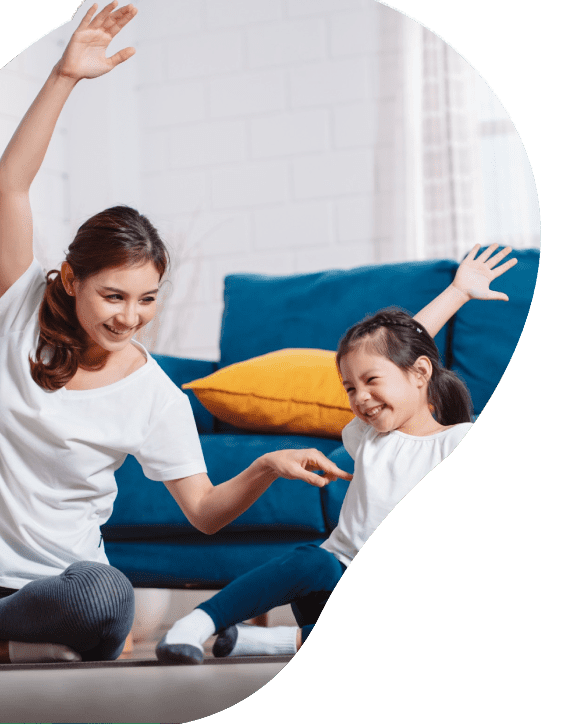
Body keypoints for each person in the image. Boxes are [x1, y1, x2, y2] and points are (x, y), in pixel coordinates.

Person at [0, 1, 353, 668]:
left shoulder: (156, 395)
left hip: (71, 591)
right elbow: (8, 185)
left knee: (104, 593)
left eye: (148, 299)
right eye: (113, 295)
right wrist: (63, 76)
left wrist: (266, 465)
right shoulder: (22, 309)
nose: (129, 316)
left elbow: (205, 511)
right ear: (68, 278)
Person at [156, 244, 517, 664]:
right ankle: (195, 625)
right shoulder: (370, 436)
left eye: (371, 381)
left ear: (421, 374)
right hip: (332, 586)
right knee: (316, 561)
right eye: (350, 388)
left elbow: (403, 349)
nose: (360, 397)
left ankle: (269, 643)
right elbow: (399, 349)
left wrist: (458, 293)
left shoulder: (459, 442)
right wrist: (453, 293)